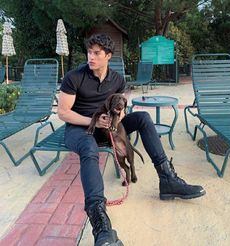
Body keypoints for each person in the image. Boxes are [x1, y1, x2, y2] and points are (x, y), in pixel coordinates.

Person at [58, 33, 206, 246]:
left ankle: (168, 180)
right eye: (89, 52)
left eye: (97, 53)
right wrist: (94, 121)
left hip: (109, 125)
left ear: (108, 55)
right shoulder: (74, 77)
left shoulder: (117, 79)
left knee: (144, 118)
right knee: (89, 149)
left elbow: (122, 109)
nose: (91, 57)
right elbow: (63, 112)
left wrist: (116, 121)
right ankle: (101, 224)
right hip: (80, 129)